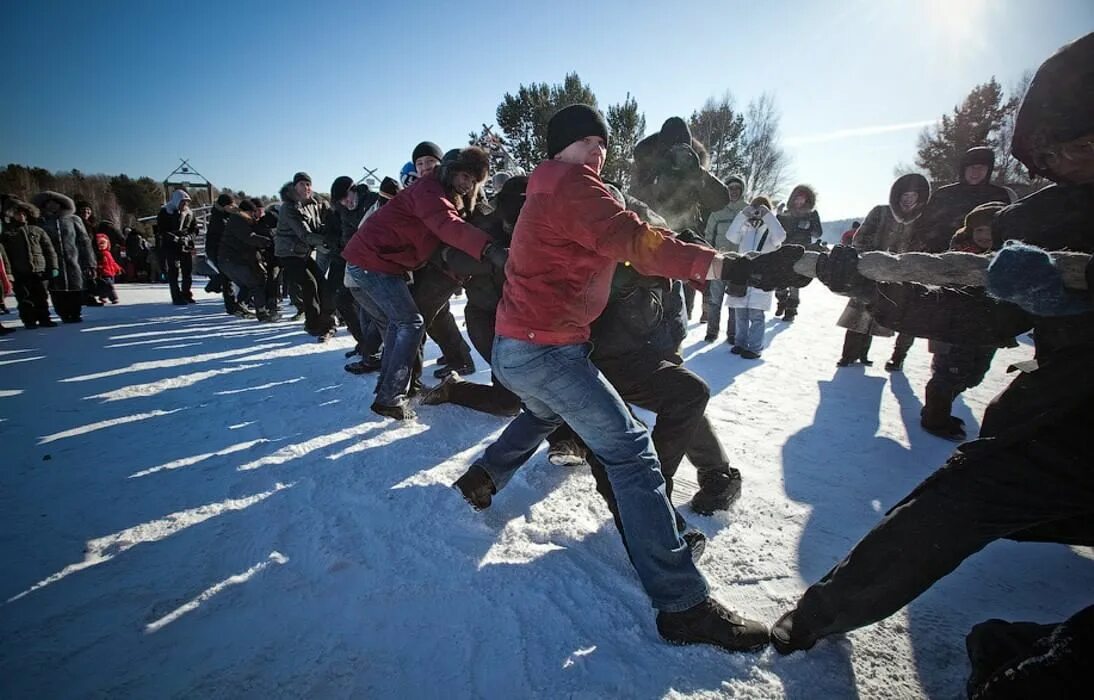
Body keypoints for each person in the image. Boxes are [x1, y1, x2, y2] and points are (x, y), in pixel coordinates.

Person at [769, 34, 1094, 687]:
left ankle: (1027, 654)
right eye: (1051, 154)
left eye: (1072, 149)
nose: (1059, 165)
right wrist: (872, 288)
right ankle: (820, 614)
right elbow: (980, 314)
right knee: (948, 508)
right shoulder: (1058, 219)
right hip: (1068, 424)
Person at [452, 104, 809, 653]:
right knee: (632, 454)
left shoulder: (548, 189)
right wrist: (733, 266)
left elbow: (635, 242)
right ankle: (682, 604)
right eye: (584, 140)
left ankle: (483, 476)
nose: (597, 148)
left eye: (602, 140)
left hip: (522, 348)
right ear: (558, 148)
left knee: (546, 412)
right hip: (546, 350)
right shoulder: (572, 186)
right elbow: (640, 243)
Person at [342, 146, 501, 420]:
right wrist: (490, 249)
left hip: (379, 262)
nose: (466, 184)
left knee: (398, 324)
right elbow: (448, 225)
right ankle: (390, 397)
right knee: (410, 322)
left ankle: (389, 388)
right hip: (371, 263)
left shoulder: (442, 193)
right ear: (452, 170)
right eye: (464, 176)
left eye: (472, 181)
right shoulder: (429, 192)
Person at [420, 176, 528, 417]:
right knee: (509, 403)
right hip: (485, 317)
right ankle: (453, 389)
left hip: (521, 319)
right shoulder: (484, 223)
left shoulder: (541, 226)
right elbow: (452, 257)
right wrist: (494, 258)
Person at [918, 202, 1009, 441]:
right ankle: (935, 417)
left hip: (988, 330)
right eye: (979, 230)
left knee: (974, 375)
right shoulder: (957, 258)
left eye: (990, 231)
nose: (984, 236)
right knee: (948, 374)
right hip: (953, 327)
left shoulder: (1009, 260)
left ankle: (937, 408)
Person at [630, 116, 731, 320]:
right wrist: (655, 170)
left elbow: (721, 200)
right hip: (650, 244)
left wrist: (698, 173)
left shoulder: (694, 169)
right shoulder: (648, 163)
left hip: (686, 244)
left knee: (678, 315)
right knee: (645, 311)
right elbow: (633, 201)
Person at [836, 174, 931, 367]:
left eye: (913, 196)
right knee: (859, 314)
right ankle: (848, 355)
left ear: (920, 198)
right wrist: (871, 261)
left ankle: (868, 354)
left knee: (882, 315)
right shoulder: (881, 212)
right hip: (871, 272)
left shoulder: (924, 220)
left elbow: (928, 245)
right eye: (905, 195)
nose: (908, 200)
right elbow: (860, 238)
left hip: (903, 277)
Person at [274, 172, 336, 339]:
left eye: (308, 184)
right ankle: (312, 323)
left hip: (302, 252)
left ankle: (326, 321)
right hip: (288, 253)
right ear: (295, 188)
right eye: (302, 184)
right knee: (309, 284)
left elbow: (317, 226)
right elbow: (304, 234)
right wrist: (328, 242)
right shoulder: (289, 207)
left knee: (321, 283)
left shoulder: (312, 204)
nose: (306, 188)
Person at [724, 197, 787, 359]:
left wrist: (768, 216)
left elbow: (781, 237)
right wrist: (743, 215)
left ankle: (755, 348)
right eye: (755, 208)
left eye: (761, 208)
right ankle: (740, 343)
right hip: (742, 274)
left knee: (756, 315)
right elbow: (731, 236)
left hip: (762, 276)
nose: (757, 211)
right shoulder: (745, 227)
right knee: (740, 314)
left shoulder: (772, 228)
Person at [34, 191, 96, 322]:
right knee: (56, 289)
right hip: (52, 261)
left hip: (74, 260)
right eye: (48, 204)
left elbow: (84, 241)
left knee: (75, 287)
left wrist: (90, 263)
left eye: (55, 204)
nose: (52, 206)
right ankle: (63, 313)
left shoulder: (73, 219)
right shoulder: (41, 221)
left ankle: (75, 313)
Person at [0, 198, 58, 329]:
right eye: (17, 214)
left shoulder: (37, 230)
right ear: (12, 215)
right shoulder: (8, 233)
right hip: (19, 271)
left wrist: (53, 266)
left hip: (39, 269)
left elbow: (49, 250)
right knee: (24, 298)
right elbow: (5, 255)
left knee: (41, 296)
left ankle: (44, 318)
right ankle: (29, 320)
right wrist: (9, 272)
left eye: (23, 214)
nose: (21, 216)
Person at [703, 174, 748, 343]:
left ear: (742, 190)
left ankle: (732, 334)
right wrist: (709, 254)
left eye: (737, 188)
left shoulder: (747, 210)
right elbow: (708, 235)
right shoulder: (717, 211)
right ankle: (711, 332)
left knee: (734, 301)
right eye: (730, 188)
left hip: (739, 264)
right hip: (719, 262)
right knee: (715, 300)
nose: (733, 191)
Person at [220, 198, 280, 322]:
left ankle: (240, 307)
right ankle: (262, 313)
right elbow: (249, 238)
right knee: (257, 282)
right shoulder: (238, 220)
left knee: (247, 284)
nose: (255, 216)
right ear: (247, 212)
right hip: (232, 261)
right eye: (253, 213)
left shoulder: (239, 220)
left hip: (229, 261)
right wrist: (268, 241)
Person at [775, 184, 823, 321]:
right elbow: (776, 228)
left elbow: (818, 232)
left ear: (807, 200)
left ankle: (791, 309)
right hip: (784, 249)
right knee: (779, 280)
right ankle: (782, 300)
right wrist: (779, 215)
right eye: (797, 198)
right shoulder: (786, 212)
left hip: (801, 250)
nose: (799, 201)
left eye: (802, 199)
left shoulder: (811, 214)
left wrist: (809, 226)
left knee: (794, 281)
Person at [204, 193, 247, 316]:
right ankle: (230, 305)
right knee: (226, 277)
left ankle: (213, 284)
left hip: (223, 250)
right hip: (216, 250)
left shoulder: (225, 215)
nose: (233, 207)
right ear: (224, 206)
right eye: (230, 205)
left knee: (226, 275)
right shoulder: (218, 219)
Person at [157, 189, 198, 305]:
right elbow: (161, 230)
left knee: (187, 271)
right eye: (182, 202)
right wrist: (174, 238)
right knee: (173, 271)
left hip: (185, 245)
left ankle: (186, 294)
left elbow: (194, 230)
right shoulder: (165, 212)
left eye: (186, 202)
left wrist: (188, 238)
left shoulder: (189, 213)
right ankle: (176, 296)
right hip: (171, 246)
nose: (185, 205)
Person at [93, 232, 122, 304]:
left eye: (103, 243)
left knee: (105, 287)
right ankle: (114, 298)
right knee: (109, 286)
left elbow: (112, 262)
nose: (102, 245)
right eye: (100, 244)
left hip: (111, 273)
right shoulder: (97, 254)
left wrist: (117, 268)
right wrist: (98, 267)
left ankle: (102, 296)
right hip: (103, 273)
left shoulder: (107, 253)